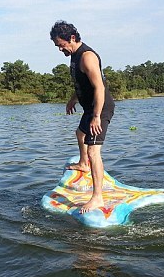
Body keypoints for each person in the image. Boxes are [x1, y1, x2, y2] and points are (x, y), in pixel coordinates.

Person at [49, 20, 115, 214]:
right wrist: (73, 100)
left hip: (100, 108)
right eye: (57, 46)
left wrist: (96, 116)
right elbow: (83, 84)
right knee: (80, 134)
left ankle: (97, 198)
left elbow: (99, 87)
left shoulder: (87, 57)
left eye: (61, 45)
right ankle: (83, 163)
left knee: (94, 151)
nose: (60, 49)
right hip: (90, 108)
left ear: (71, 38)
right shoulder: (74, 56)